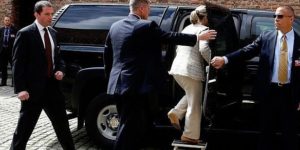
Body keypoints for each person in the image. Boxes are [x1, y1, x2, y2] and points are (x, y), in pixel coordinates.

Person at [104, 0, 217, 149]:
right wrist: (197, 38)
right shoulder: (145, 26)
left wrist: (111, 79)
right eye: (149, 8)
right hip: (134, 87)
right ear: (143, 8)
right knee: (129, 128)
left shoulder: (115, 26)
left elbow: (107, 55)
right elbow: (169, 36)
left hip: (118, 85)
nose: (149, 12)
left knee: (132, 125)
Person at [211, 5, 299, 150]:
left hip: (289, 94)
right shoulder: (267, 37)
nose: (276, 19)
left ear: (291, 18)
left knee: (289, 134)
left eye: (280, 16)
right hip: (269, 92)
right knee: (265, 133)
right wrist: (225, 59)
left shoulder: (299, 41)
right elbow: (247, 51)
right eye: (275, 16)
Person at [10, 1, 75, 150]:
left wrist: (61, 70)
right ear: (36, 14)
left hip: (53, 89)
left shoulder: (53, 33)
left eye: (51, 14)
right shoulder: (25, 33)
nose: (50, 17)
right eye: (47, 14)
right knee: (23, 131)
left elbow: (58, 59)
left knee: (63, 127)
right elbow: (17, 63)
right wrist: (21, 89)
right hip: (32, 92)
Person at [167, 5, 211, 144]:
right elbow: (204, 49)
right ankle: (189, 135)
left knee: (191, 94)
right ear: (204, 17)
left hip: (178, 69)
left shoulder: (186, 28)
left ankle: (176, 112)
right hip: (191, 71)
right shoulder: (204, 29)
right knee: (195, 103)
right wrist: (213, 60)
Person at [0, 16, 17, 86]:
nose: (7, 21)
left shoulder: (14, 30)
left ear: (10, 21)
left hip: (11, 52)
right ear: (4, 21)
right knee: (3, 67)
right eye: (6, 20)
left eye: (8, 20)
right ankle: (3, 82)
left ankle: (14, 83)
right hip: (3, 51)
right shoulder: (1, 30)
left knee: (13, 67)